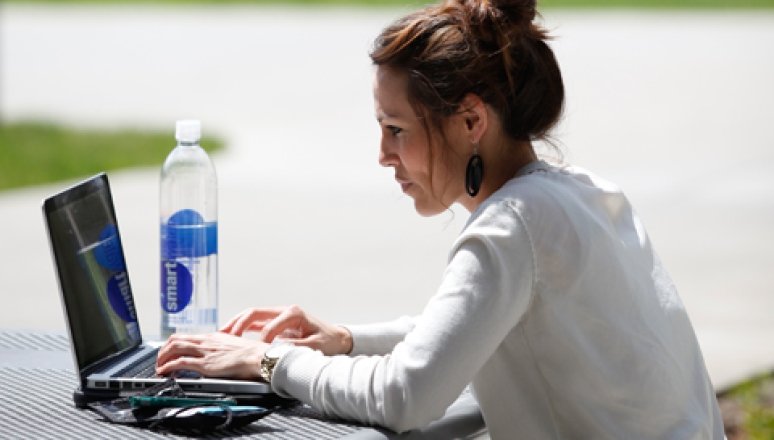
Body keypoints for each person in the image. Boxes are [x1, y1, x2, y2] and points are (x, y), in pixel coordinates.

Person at [156, 0, 724, 437]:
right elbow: (474, 326)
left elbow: (406, 398)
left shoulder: (512, 228)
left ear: (471, 120)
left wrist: (269, 360)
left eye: (396, 129)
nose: (383, 154)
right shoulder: (584, 195)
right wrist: (346, 340)